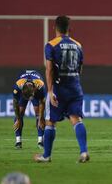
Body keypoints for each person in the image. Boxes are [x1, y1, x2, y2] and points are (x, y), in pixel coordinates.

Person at [34, 15, 89, 163]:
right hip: (75, 87)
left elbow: (49, 69)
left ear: (55, 28)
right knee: (76, 120)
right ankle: (84, 152)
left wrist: (51, 91)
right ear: (69, 29)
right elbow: (80, 69)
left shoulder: (51, 45)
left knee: (50, 121)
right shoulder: (78, 45)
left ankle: (46, 156)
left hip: (59, 89)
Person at [13, 70, 46, 149]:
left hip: (36, 92)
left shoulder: (40, 86)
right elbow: (15, 103)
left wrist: (41, 118)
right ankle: (18, 141)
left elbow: (42, 102)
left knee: (38, 114)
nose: (29, 100)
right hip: (25, 92)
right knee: (20, 114)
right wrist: (18, 119)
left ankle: (40, 141)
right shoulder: (18, 86)